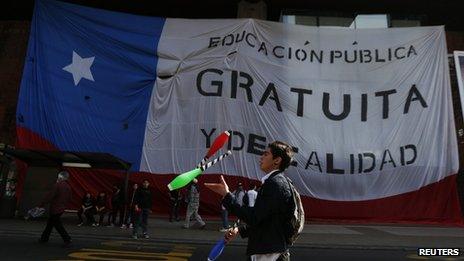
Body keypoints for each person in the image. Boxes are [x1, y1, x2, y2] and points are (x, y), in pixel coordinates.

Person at [205, 141, 295, 261]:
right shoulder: (277, 182)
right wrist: (240, 230)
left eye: (266, 154)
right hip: (265, 251)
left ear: (277, 160)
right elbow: (266, 220)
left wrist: (227, 195)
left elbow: (254, 217)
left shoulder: (275, 184)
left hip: (268, 255)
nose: (261, 157)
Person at [38, 171, 72, 247]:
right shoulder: (68, 187)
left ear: (60, 177)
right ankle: (44, 238)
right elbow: (70, 198)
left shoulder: (58, 185)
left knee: (57, 224)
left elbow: (50, 196)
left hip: (55, 208)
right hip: (61, 208)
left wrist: (42, 204)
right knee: (50, 223)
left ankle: (67, 239)